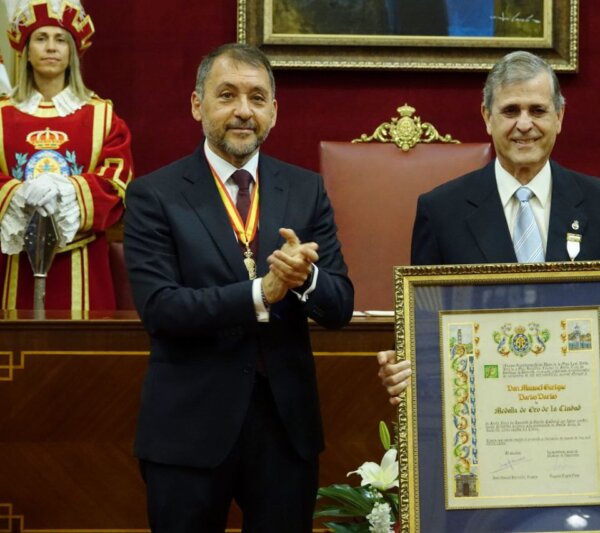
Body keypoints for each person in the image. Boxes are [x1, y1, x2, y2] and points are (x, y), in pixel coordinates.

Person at [123, 43, 354, 532]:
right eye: (227, 95)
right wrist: (262, 293)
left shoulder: (305, 189)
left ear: (274, 111)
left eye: (257, 98)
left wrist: (305, 278)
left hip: (285, 428)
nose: (243, 111)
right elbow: (161, 308)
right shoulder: (154, 194)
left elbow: (340, 306)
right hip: (188, 428)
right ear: (197, 104)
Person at [378, 50, 600, 403]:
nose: (524, 124)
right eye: (511, 111)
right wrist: (401, 367)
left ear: (559, 117)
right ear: (487, 117)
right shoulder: (440, 211)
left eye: (538, 111)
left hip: (576, 409)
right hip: (481, 409)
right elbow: (421, 327)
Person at [0, 0, 133, 311]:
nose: (51, 47)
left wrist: (67, 191)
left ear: (72, 52)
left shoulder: (103, 117)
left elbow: (117, 183)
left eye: (60, 39)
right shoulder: (2, 115)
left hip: (84, 263)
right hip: (13, 262)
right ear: (25, 51)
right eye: (41, 38)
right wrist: (18, 195)